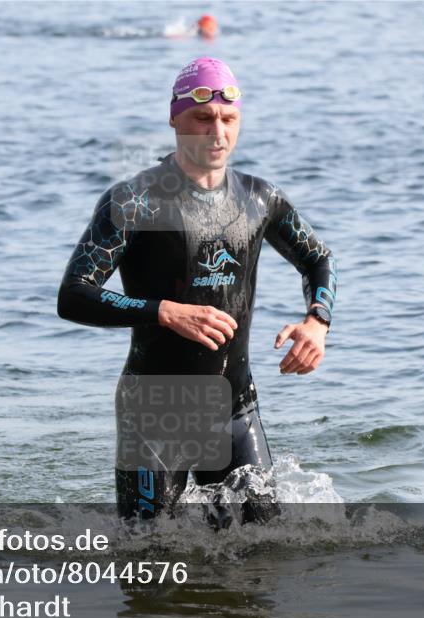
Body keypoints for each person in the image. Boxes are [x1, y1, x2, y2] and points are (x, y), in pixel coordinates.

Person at [57, 57, 337, 523]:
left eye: (228, 119)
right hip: (154, 412)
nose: (217, 133)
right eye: (202, 119)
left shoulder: (259, 198)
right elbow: (74, 294)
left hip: (235, 406)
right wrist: (164, 311)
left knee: (263, 555)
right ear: (174, 119)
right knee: (149, 560)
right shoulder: (134, 200)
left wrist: (317, 321)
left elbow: (319, 258)